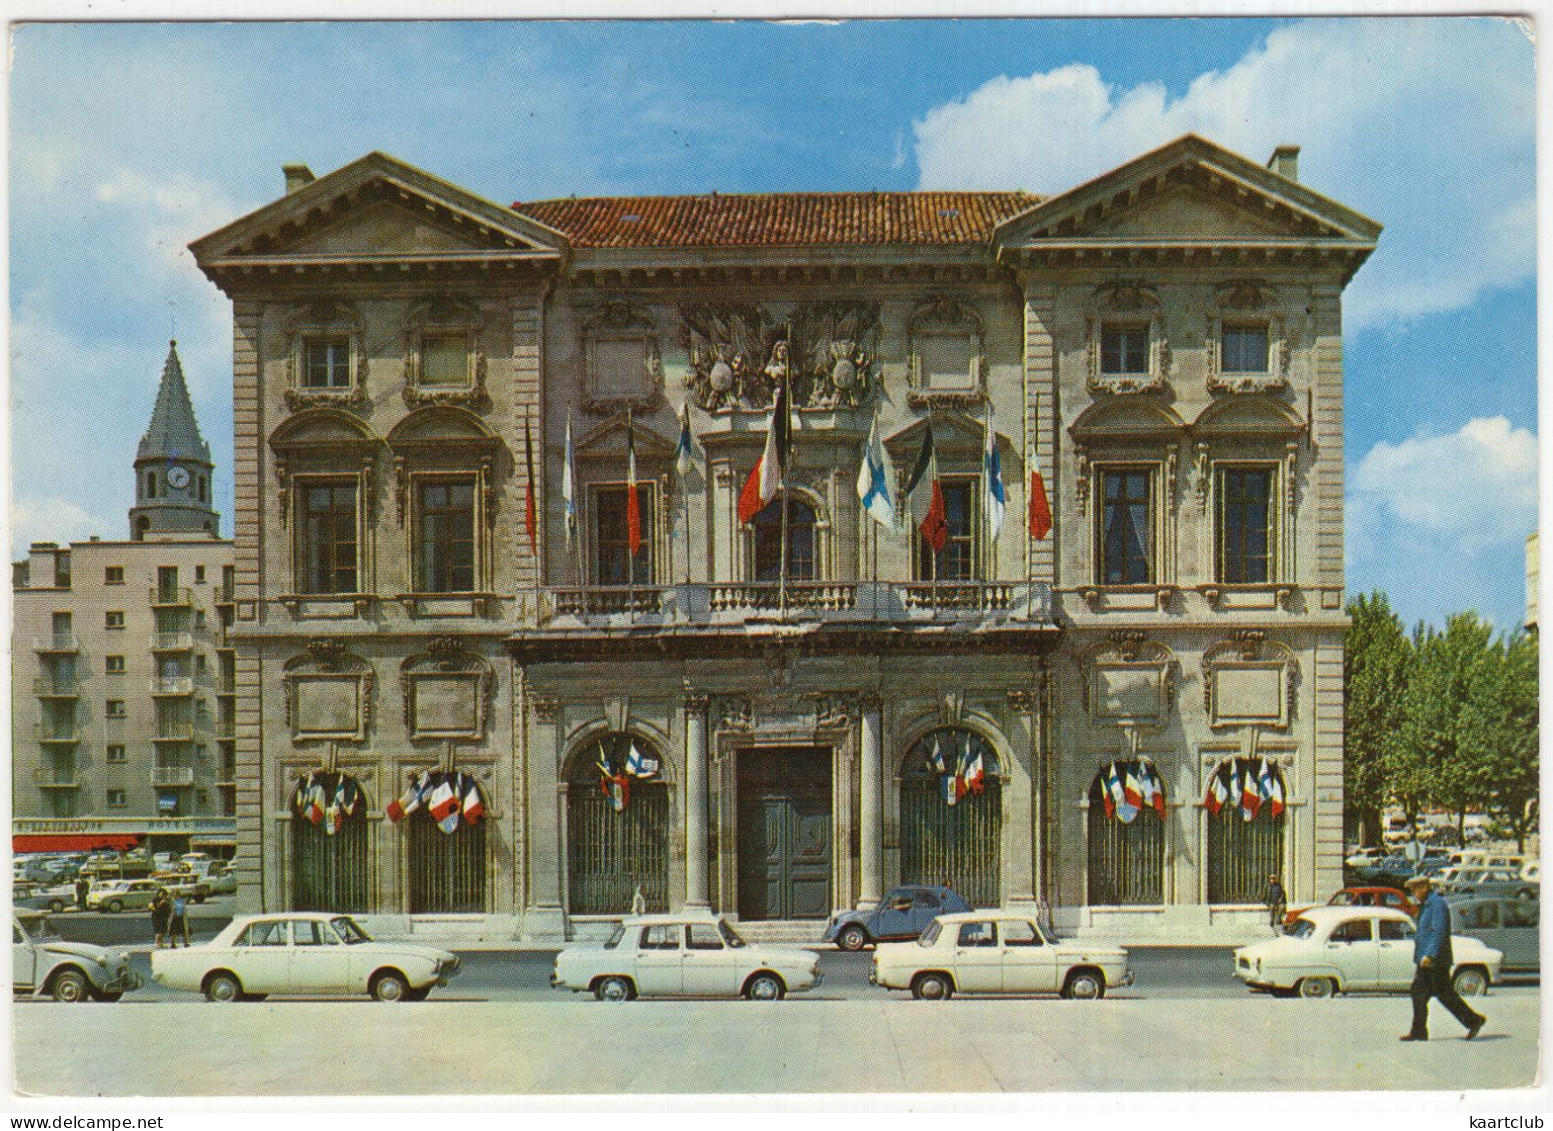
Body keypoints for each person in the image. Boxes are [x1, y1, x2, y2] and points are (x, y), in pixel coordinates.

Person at [1401, 873, 1485, 1041]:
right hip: (1426, 960)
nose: (1413, 893)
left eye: (1414, 890)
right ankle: (1419, 1032)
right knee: (1419, 993)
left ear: (1424, 888)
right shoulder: (1426, 905)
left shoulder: (1437, 905)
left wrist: (1430, 955)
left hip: (1435, 961)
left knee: (1444, 994)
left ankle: (1474, 1020)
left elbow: (1438, 932)